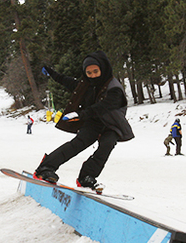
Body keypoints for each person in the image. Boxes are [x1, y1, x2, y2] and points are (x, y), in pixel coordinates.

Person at [34, 51, 134, 193]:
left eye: (95, 71)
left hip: (112, 123)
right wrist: (51, 73)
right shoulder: (87, 85)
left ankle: (87, 176)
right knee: (78, 143)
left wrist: (80, 115)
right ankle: (46, 168)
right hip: (94, 122)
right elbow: (67, 81)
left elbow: (102, 107)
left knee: (107, 145)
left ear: (103, 69)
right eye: (89, 73)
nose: (92, 76)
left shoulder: (114, 89)